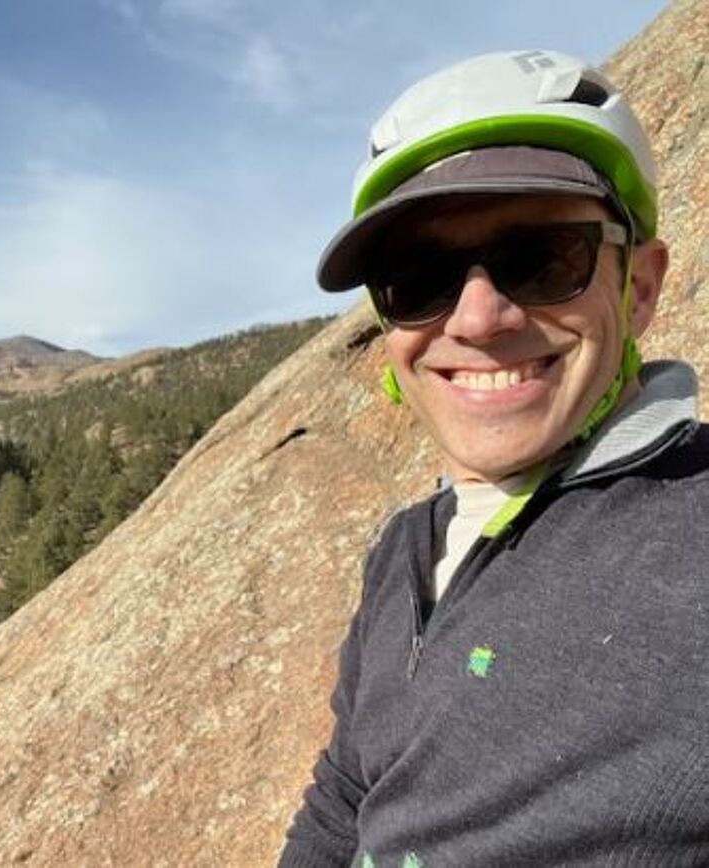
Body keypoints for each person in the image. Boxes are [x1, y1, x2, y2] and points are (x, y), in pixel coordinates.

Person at [278, 50, 709, 867]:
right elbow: (344, 795)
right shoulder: (406, 548)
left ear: (641, 288)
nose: (477, 319)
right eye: (418, 275)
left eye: (541, 258)